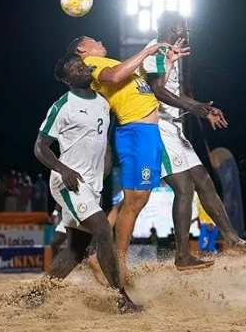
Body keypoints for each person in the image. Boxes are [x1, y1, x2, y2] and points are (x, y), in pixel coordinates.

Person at [141, 11, 246, 268]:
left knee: (203, 181)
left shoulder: (174, 53)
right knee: (184, 187)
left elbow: (182, 93)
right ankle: (182, 255)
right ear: (174, 26)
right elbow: (157, 91)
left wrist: (203, 108)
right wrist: (193, 108)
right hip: (157, 127)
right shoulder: (155, 51)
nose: (188, 31)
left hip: (174, 128)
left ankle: (233, 241)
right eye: (185, 26)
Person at [68, 35, 187, 279]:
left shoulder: (111, 62)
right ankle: (117, 263)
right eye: (93, 40)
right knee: (135, 201)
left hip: (147, 133)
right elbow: (113, 77)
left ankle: (97, 258)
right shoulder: (93, 63)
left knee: (137, 197)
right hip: (135, 132)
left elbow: (150, 89)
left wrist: (170, 63)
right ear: (82, 49)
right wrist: (147, 52)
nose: (100, 41)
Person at [33, 54, 140, 313]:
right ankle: (121, 298)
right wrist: (63, 168)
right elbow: (40, 146)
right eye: (73, 68)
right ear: (66, 79)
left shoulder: (103, 103)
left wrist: (107, 161)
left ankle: (34, 296)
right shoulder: (63, 105)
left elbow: (101, 143)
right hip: (68, 181)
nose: (81, 67)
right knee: (103, 229)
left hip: (92, 186)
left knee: (75, 250)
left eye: (81, 64)